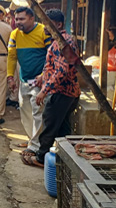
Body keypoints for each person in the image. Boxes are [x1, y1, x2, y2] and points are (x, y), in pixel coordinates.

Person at [21, 9, 80, 167]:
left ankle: (41, 158)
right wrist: (43, 77)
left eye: (47, 23)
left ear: (58, 24)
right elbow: (55, 67)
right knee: (62, 127)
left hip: (62, 92)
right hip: (67, 92)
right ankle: (66, 159)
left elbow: (62, 71)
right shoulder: (59, 41)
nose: (43, 26)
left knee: (50, 124)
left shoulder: (64, 42)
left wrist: (43, 91)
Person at [7, 6, 51, 157]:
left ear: (32, 18)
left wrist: (43, 74)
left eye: (22, 19)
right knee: (25, 111)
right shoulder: (14, 34)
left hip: (39, 81)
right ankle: (31, 139)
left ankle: (36, 145)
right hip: (24, 80)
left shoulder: (43, 31)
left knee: (38, 112)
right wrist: (10, 77)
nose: (18, 22)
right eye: (16, 19)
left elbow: (51, 57)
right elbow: (12, 57)